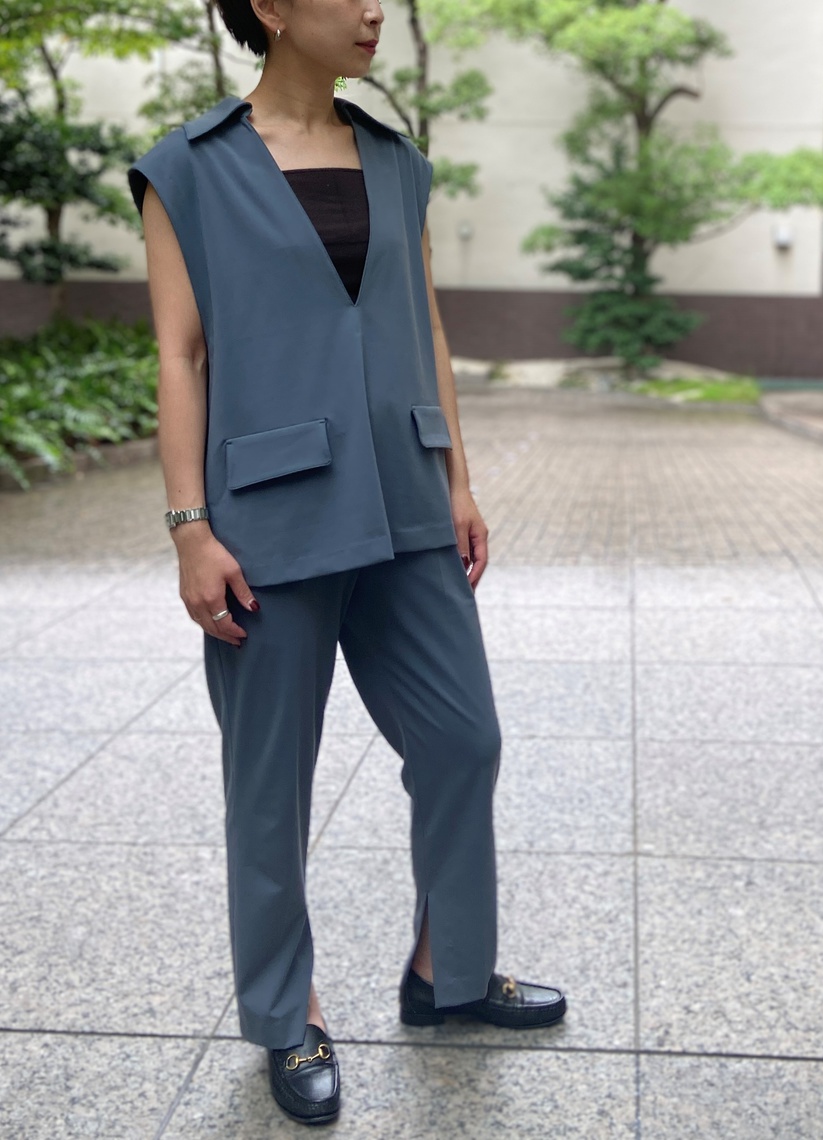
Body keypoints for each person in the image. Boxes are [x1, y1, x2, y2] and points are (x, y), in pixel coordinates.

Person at [128, 0, 566, 1125]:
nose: (374, 8)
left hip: (407, 499)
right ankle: (289, 1014)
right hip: (268, 518)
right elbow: (180, 354)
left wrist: (457, 480)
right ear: (271, 7)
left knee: (464, 739)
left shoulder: (397, 160)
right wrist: (189, 527)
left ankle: (445, 969)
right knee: (270, 783)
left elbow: (425, 326)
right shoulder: (188, 169)